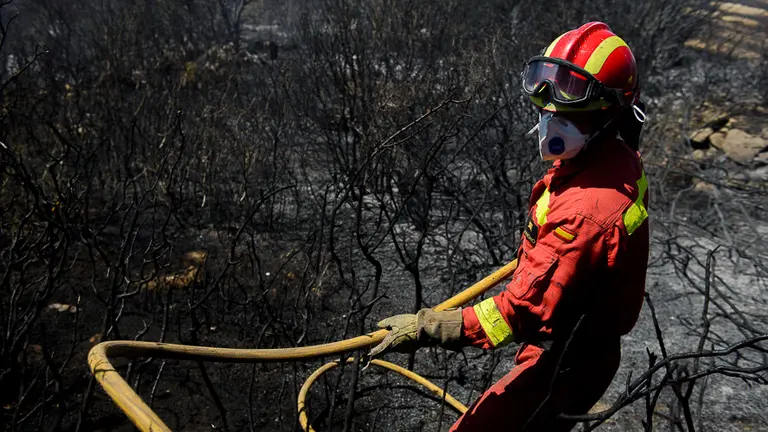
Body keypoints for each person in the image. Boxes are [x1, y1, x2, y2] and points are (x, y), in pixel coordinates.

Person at [369, 22, 650, 431]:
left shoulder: (587, 211)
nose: (549, 105)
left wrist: (428, 327)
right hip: (574, 339)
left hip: (566, 361)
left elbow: (518, 313)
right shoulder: (613, 156)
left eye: (570, 92)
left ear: (608, 108)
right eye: (546, 83)